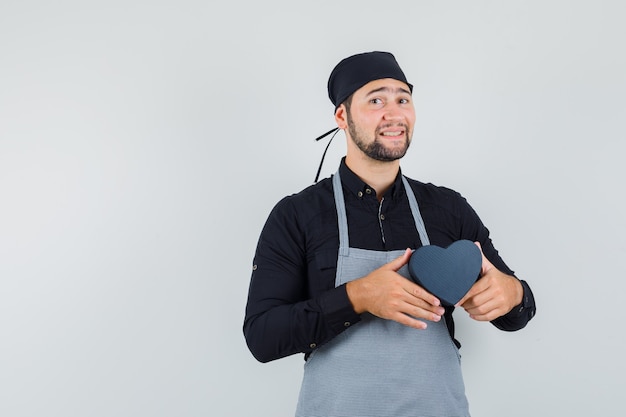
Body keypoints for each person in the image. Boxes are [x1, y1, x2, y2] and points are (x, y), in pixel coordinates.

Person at [243, 51, 536, 417]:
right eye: (376, 100)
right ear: (341, 117)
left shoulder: (448, 208)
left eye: (403, 99)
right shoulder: (296, 215)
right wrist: (357, 297)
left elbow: (517, 313)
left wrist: (513, 293)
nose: (394, 113)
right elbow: (262, 337)